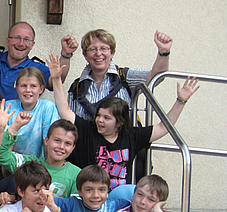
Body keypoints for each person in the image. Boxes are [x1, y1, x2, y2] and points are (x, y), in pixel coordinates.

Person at [50, 54, 200, 188]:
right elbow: (65, 110)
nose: (99, 120)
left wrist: (180, 101)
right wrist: (56, 79)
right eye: (99, 115)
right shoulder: (88, 131)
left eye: (106, 118)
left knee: (131, 192)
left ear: (120, 123)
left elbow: (164, 127)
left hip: (119, 199)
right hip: (90, 196)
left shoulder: (131, 136)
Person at [64, 29, 173, 120]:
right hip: (88, 145)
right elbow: (70, 124)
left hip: (121, 144)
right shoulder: (77, 87)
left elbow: (156, 78)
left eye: (104, 48)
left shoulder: (125, 77)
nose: (98, 53)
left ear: (112, 53)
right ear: (85, 55)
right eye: (92, 49)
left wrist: (163, 52)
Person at [0, 119, 81, 201]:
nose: (61, 147)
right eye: (57, 140)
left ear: (73, 148)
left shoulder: (77, 174)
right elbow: (1, 154)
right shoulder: (30, 163)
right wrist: (14, 128)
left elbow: (76, 208)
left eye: (68, 143)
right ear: (46, 140)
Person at [5, 67, 60, 158]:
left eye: (33, 86)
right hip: (12, 163)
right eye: (23, 86)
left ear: (41, 89)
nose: (28, 90)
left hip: (38, 165)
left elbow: (49, 142)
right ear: (17, 88)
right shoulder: (9, 107)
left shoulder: (47, 107)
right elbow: (5, 144)